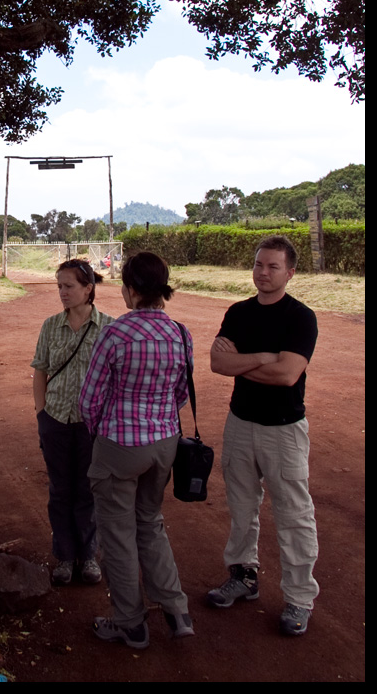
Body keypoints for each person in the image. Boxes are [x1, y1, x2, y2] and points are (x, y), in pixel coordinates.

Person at [79, 251, 194, 650]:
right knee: (150, 521)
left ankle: (130, 622)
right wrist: (158, 418)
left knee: (117, 533)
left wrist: (101, 432)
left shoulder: (116, 333)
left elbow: (89, 399)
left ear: (130, 290)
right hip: (164, 444)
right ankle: (176, 610)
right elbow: (182, 393)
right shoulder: (180, 333)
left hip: (120, 444)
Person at [207, 235, 319, 637]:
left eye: (273, 266)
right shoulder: (238, 313)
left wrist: (240, 363)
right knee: (241, 508)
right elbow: (217, 364)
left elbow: (287, 375)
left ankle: (299, 598)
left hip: (284, 431)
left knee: (294, 515)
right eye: (258, 264)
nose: (263, 273)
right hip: (240, 424)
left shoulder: (300, 318)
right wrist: (262, 358)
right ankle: (243, 576)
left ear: (290, 273)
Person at [31, 259, 113, 586]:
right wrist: (41, 414)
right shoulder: (50, 326)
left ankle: (88, 555)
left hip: (92, 425)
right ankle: (65, 556)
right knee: (60, 489)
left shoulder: (109, 327)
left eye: (69, 286)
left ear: (88, 288)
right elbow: (40, 370)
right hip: (55, 419)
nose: (62, 292)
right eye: (59, 286)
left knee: (88, 490)